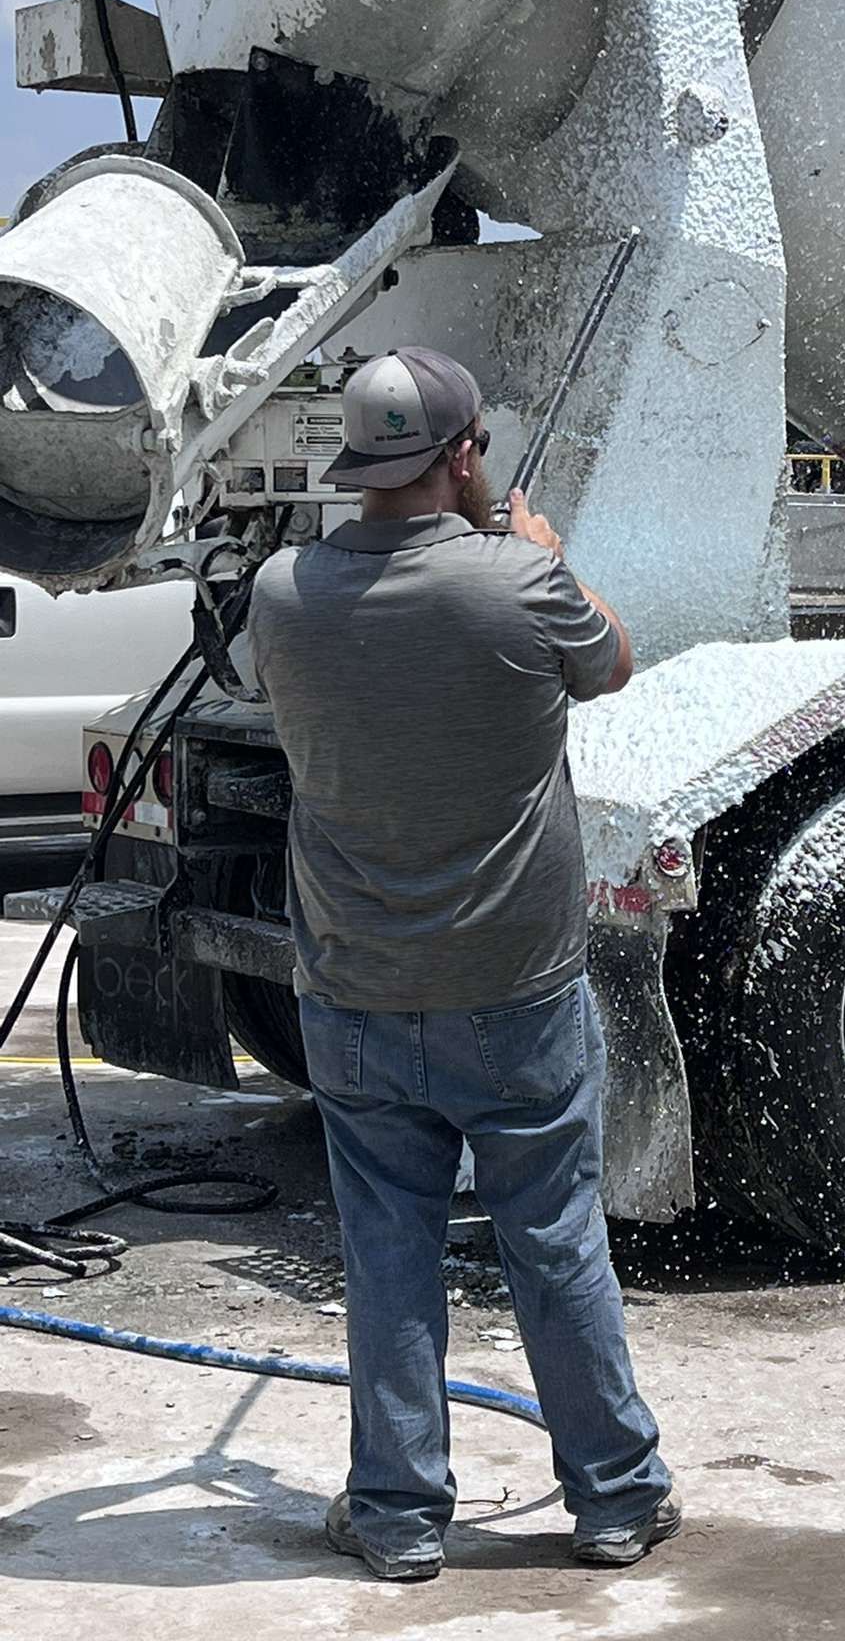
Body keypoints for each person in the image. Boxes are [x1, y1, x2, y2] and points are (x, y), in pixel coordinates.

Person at [246, 345, 676, 1582]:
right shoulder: (522, 583)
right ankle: (611, 1501)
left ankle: (394, 1516)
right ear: (464, 452)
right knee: (552, 1238)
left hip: (354, 989)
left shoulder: (283, 591)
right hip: (516, 991)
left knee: (388, 1249)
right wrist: (526, 541)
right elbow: (611, 663)